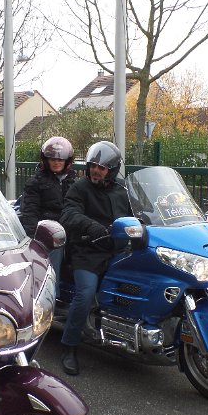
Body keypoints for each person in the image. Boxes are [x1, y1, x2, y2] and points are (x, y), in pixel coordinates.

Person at [59, 141, 131, 375]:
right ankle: (69, 346)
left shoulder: (123, 191)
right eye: (92, 166)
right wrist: (91, 226)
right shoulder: (80, 188)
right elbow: (68, 214)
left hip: (118, 250)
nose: (95, 171)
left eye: (101, 167)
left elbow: (139, 212)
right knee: (86, 293)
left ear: (112, 170)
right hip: (87, 251)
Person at [19, 136, 77, 284]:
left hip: (71, 232)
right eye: (53, 159)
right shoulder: (35, 183)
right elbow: (30, 213)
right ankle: (52, 291)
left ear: (67, 161)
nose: (57, 162)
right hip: (48, 236)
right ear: (46, 160)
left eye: (60, 159)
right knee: (55, 259)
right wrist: (35, 240)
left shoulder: (74, 182)